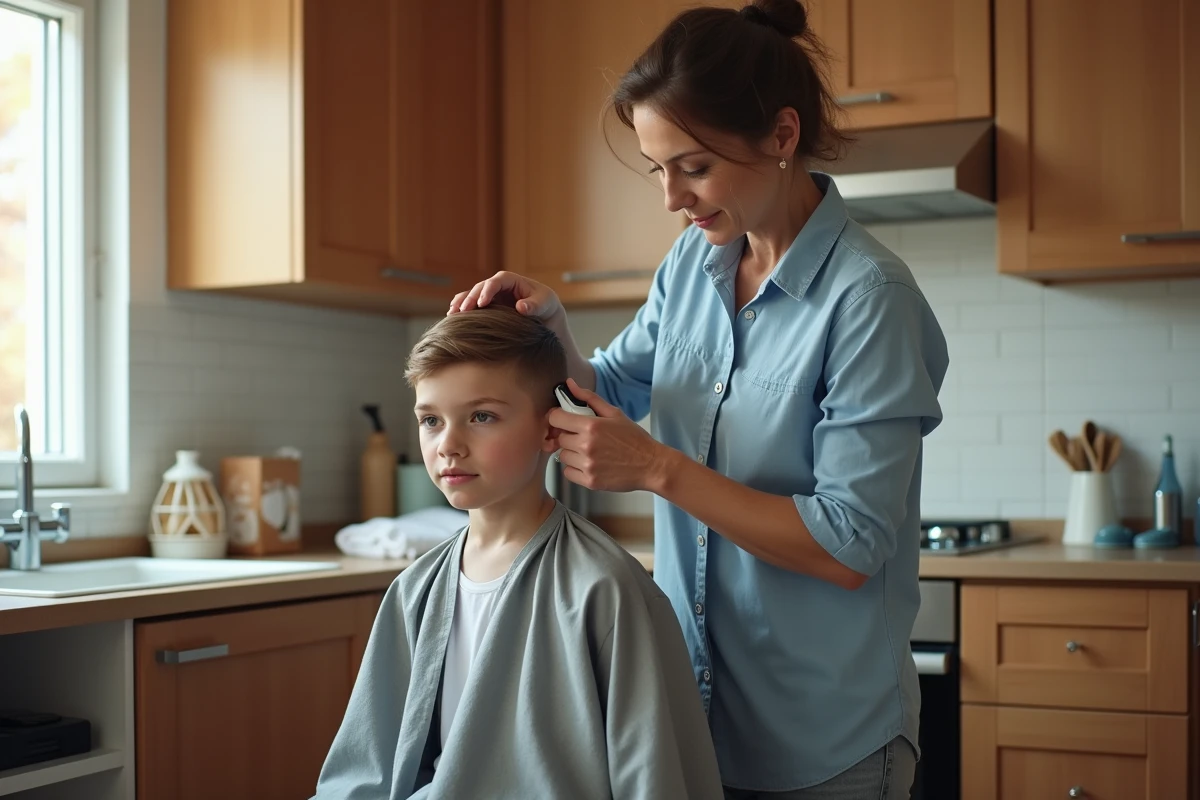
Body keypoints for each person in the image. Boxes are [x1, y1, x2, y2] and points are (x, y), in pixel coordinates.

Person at [447, 1, 950, 797]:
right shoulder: (694, 262)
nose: (672, 198)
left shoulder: (868, 299)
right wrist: (555, 331)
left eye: (694, 166)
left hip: (825, 737)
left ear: (782, 137)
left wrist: (655, 468)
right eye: (657, 168)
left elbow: (849, 545)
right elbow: (611, 388)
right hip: (693, 714)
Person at [311, 306, 724, 800]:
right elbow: (363, 772)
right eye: (430, 420)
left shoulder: (603, 588)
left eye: (481, 416)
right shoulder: (413, 590)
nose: (449, 445)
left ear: (552, 430)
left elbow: (654, 777)